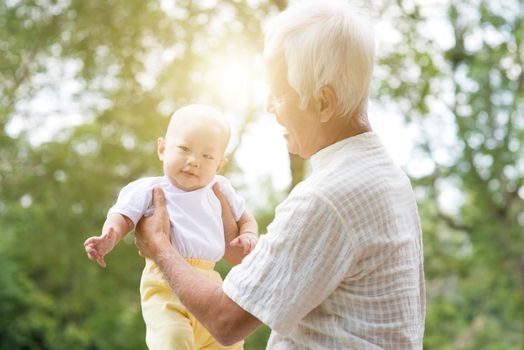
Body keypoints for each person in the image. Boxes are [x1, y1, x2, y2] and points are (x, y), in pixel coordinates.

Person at [134, 0, 426, 349]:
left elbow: (225, 321)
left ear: (323, 102)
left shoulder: (325, 198)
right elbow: (304, 268)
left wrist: (161, 248)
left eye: (280, 94)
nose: (269, 107)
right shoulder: (385, 175)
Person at [84, 104, 258, 350]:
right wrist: (109, 237)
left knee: (227, 343)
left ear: (219, 165)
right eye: (184, 148)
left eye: (207, 156)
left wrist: (249, 235)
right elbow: (122, 216)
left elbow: (246, 219)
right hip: (164, 283)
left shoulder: (220, 188)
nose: (193, 161)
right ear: (162, 149)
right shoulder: (150, 188)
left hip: (211, 282)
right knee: (173, 338)